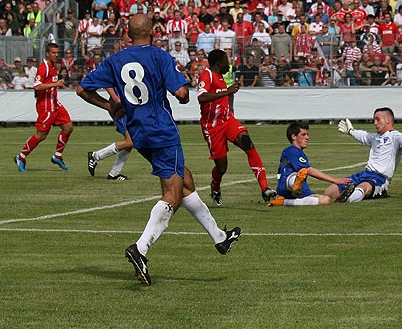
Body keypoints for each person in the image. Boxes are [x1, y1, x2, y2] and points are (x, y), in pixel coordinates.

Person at [77, 14, 241, 286]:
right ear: (153, 32)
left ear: (128, 35)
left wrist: (109, 106)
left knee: (185, 180)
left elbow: (82, 90)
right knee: (172, 194)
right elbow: (182, 95)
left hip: (139, 134)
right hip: (163, 132)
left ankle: (219, 238)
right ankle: (140, 249)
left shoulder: (114, 60)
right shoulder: (159, 56)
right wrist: (181, 84)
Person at [197, 48, 278, 205]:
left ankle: (265, 188)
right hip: (212, 127)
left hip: (228, 120)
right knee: (222, 167)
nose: (229, 64)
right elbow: (201, 97)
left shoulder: (220, 76)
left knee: (248, 144)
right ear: (219, 63)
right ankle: (215, 186)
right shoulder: (207, 75)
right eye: (227, 61)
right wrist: (226, 92)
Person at [326, 108, 402, 203]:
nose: (374, 123)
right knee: (329, 192)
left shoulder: (395, 136)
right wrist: (350, 131)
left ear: (388, 120)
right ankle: (349, 194)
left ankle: (347, 200)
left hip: (379, 178)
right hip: (364, 174)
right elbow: (363, 135)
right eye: (374, 120)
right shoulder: (375, 137)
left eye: (377, 119)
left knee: (364, 187)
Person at [14, 43, 73, 172]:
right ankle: (21, 157)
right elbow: (37, 85)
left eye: (57, 53)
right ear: (47, 53)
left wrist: (57, 83)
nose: (56, 55)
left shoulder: (52, 66)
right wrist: (55, 83)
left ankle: (57, 156)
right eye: (53, 53)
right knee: (41, 135)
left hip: (55, 103)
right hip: (46, 106)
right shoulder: (43, 67)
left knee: (68, 127)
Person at [267, 121, 353, 207]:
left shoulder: (300, 154)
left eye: (307, 135)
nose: (307, 138)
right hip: (286, 184)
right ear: (294, 136)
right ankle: (295, 183)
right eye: (303, 135)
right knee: (301, 172)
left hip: (299, 190)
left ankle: (284, 202)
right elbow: (309, 170)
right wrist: (334, 180)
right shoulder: (291, 150)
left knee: (325, 200)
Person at [87, 87, 133, 180]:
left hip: (129, 106)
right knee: (130, 141)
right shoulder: (116, 73)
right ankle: (96, 156)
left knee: (130, 142)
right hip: (120, 107)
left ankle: (115, 173)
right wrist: (116, 99)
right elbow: (109, 84)